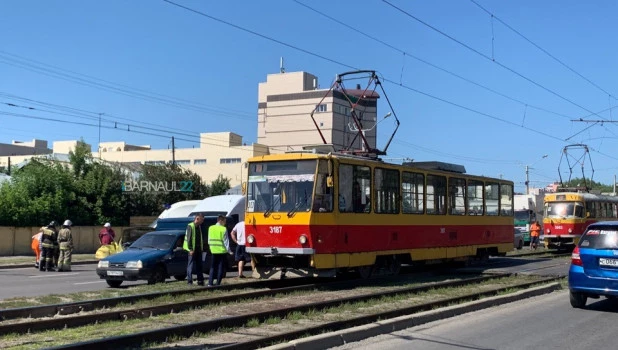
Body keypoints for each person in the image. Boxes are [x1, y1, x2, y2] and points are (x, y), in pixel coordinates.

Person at [208, 215, 231, 286]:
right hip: (221, 251)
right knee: (220, 267)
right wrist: (229, 251)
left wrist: (211, 247)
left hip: (213, 251)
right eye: (224, 221)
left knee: (212, 267)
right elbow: (226, 241)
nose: (225, 223)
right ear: (220, 221)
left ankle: (210, 283)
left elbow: (209, 240)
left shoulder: (210, 228)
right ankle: (218, 283)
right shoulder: (223, 229)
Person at [184, 213, 205, 285]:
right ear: (197, 219)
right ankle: (189, 281)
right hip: (192, 250)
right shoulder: (190, 226)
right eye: (202, 219)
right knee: (190, 265)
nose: (203, 221)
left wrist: (202, 249)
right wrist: (190, 249)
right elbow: (189, 238)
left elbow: (199, 239)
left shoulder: (199, 226)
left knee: (199, 265)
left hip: (198, 249)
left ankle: (200, 280)